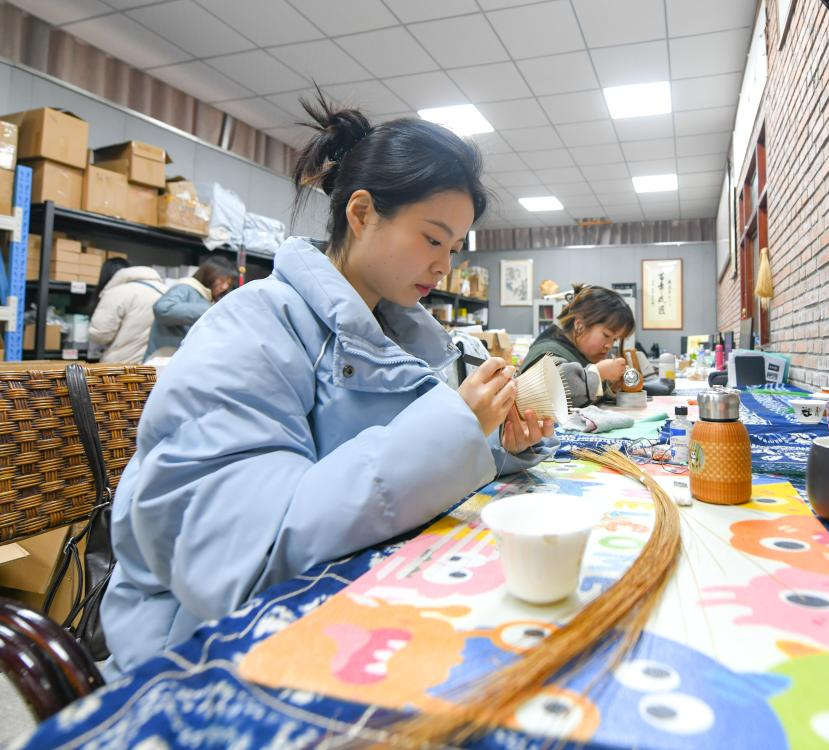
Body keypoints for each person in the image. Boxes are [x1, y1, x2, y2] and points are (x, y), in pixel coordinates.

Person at [101, 97, 556, 673]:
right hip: (204, 649)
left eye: (452, 248)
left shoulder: (395, 334)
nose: (444, 266)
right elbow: (243, 553)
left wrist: (491, 442)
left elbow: (377, 460)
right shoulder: (252, 328)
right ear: (361, 213)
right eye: (432, 239)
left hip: (338, 612)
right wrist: (453, 429)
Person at [520, 284, 635, 407]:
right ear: (579, 325)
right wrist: (599, 373)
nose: (609, 345)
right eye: (606, 335)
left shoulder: (578, 352)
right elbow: (556, 391)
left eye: (615, 339)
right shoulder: (546, 351)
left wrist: (610, 386)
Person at [144, 255, 237, 360]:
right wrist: (208, 309)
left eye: (228, 283)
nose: (225, 287)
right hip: (163, 359)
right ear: (209, 275)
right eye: (222, 281)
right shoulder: (186, 288)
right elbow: (163, 309)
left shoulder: (205, 296)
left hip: (174, 359)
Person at [87, 258, 167, 363]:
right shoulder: (166, 291)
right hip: (157, 363)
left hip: (124, 365)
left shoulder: (116, 292)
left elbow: (100, 335)